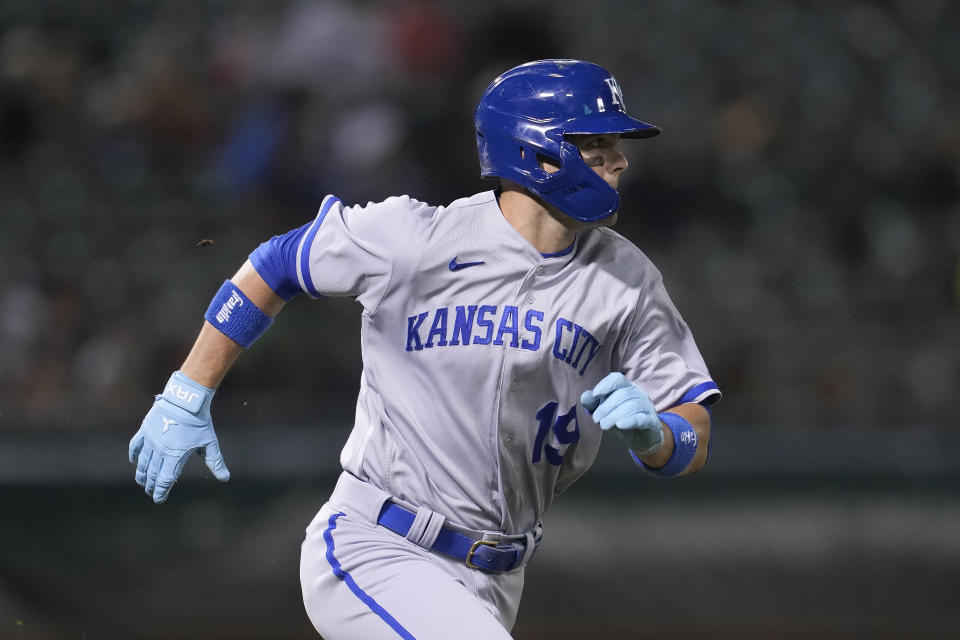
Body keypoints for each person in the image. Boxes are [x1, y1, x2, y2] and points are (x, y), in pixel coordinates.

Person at [128, 59, 721, 639]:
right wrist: (187, 391)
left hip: (498, 577)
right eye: (597, 145)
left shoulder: (628, 279)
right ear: (536, 151)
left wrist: (658, 436)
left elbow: (692, 422)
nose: (620, 161)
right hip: (377, 544)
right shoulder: (418, 237)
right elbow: (277, 264)